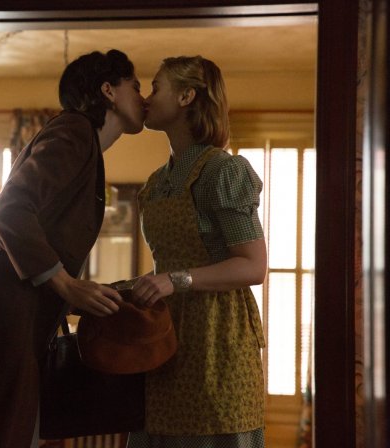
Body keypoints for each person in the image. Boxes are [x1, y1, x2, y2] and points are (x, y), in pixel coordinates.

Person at [0, 49, 145, 448]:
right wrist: (65, 284)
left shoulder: (82, 142)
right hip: (2, 303)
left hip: (8, 300)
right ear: (109, 91)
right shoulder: (75, 131)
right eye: (135, 87)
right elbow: (9, 210)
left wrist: (73, 295)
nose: (144, 98)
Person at [127, 55, 267, 447]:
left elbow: (253, 266)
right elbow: (170, 263)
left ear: (186, 96)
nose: (146, 97)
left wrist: (175, 280)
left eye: (156, 87)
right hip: (165, 339)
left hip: (217, 340)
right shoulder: (157, 182)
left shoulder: (222, 172)